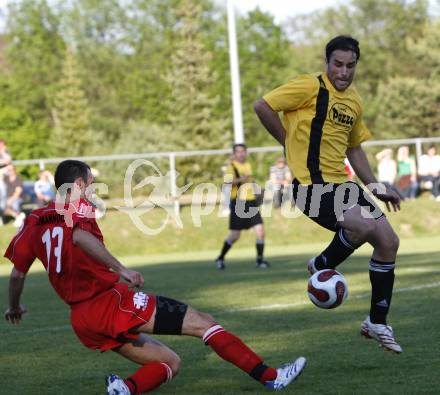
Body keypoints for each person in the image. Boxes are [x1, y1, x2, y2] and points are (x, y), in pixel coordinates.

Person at [4, 159, 306, 394]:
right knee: (205, 322)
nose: (93, 190)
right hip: (110, 303)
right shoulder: (77, 205)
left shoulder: (34, 220)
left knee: (170, 362)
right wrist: (122, 270)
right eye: (92, 183)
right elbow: (81, 238)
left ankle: (124, 389)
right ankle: (272, 377)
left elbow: (17, 274)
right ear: (79, 183)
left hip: (82, 320)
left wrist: (14, 306)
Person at [254, 35, 402, 353]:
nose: (344, 72)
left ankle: (377, 321)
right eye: (338, 64)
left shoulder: (355, 102)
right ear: (327, 63)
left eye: (351, 66)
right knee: (362, 225)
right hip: (310, 185)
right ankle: (321, 263)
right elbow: (262, 105)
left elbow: (355, 148)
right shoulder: (309, 87)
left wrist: (376, 186)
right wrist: (286, 140)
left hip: (343, 185)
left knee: (389, 242)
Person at [215, 144, 269, 270]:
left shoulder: (248, 165)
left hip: (251, 202)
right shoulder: (231, 166)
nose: (241, 154)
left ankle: (260, 260)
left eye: (243, 151)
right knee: (235, 235)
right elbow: (227, 182)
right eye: (238, 152)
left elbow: (250, 182)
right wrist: (240, 179)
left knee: (260, 231)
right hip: (239, 203)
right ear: (234, 154)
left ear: (246, 152)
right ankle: (221, 257)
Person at [0, 139, 12, 224]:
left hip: (4, 181)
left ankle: (2, 218)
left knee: (3, 198)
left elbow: (8, 161)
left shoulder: (6, 153)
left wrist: (3, 152)